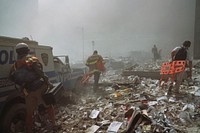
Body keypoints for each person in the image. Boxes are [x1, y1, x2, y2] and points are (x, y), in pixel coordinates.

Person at [9, 43, 58, 133]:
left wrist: (22, 87)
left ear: (17, 52)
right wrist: (48, 83)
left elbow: (12, 78)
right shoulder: (31, 59)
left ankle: (30, 130)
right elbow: (40, 73)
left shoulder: (15, 65)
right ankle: (54, 125)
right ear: (27, 50)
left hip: (28, 91)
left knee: (29, 114)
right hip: (39, 88)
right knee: (49, 106)